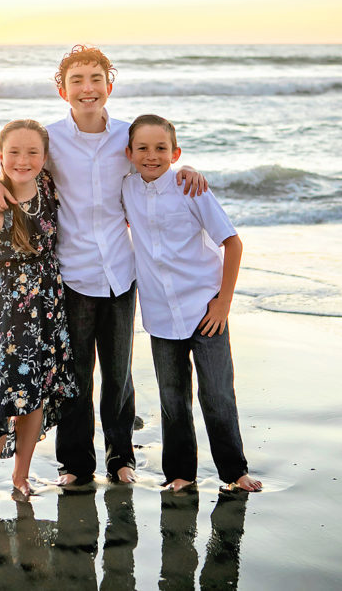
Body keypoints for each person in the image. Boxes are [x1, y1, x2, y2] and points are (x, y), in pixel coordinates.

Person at [0, 45, 207, 486]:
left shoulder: (127, 137)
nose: (87, 89)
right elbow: (18, 167)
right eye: (77, 81)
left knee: (119, 373)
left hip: (122, 272)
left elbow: (157, 161)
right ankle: (75, 464)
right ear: (62, 90)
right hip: (73, 272)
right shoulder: (50, 138)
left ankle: (121, 458)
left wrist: (191, 168)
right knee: (75, 375)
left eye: (95, 79)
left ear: (109, 84)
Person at [121, 114, 262, 493]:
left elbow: (232, 243)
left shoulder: (190, 187)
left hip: (205, 308)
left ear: (175, 152)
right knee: (172, 398)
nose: (152, 156)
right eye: (144, 149)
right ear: (129, 153)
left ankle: (234, 472)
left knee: (216, 393)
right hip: (159, 312)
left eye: (161, 149)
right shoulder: (126, 189)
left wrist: (223, 304)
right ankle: (180, 474)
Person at [0, 119, 77, 498]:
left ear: (45, 159)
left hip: (47, 309)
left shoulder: (49, 190)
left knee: (35, 397)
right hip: (5, 316)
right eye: (13, 152)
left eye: (32, 152)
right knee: (2, 396)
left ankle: (21, 476)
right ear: (0, 156)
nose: (23, 159)